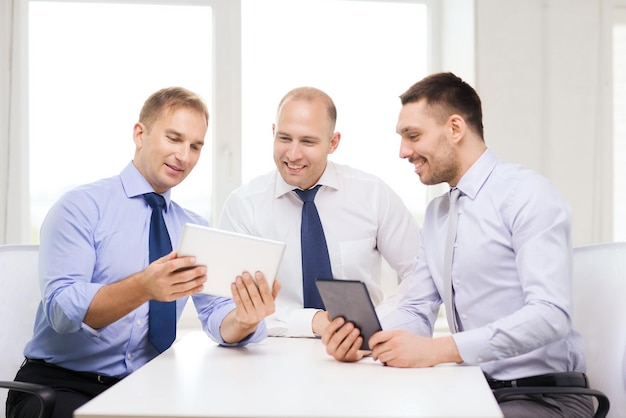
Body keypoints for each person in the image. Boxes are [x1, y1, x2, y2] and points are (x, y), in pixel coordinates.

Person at [321, 73, 594, 417]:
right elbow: (416, 308)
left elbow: (551, 315)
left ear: (455, 128)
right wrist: (365, 339)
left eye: (413, 136)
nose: (404, 151)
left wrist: (440, 350)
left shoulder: (527, 194)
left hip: (543, 396)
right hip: (473, 391)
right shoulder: (439, 213)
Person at [6, 87, 280, 418]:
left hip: (143, 389)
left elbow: (217, 317)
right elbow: (62, 313)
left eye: (195, 146)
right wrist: (143, 287)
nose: (184, 156)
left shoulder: (191, 229)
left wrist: (245, 318)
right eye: (174, 138)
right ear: (140, 134)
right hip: (61, 386)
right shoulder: (81, 207)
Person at [218, 86, 420, 337]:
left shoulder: (372, 195)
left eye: (308, 141)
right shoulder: (244, 206)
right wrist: (310, 321)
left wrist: (376, 323)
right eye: (284, 138)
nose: (293, 154)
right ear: (273, 133)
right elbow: (230, 307)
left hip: (363, 354)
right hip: (273, 355)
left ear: (333, 143)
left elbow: (420, 273)